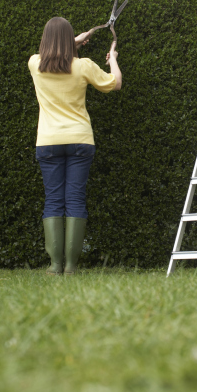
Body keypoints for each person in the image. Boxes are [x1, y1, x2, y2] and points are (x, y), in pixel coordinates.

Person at [28, 16, 122, 275]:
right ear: (69, 40)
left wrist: (73, 42)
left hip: (48, 142)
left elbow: (54, 54)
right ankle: (71, 266)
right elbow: (116, 83)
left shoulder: (34, 64)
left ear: (45, 40)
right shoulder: (84, 66)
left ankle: (54, 265)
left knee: (54, 201)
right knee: (75, 199)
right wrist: (112, 57)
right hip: (80, 140)